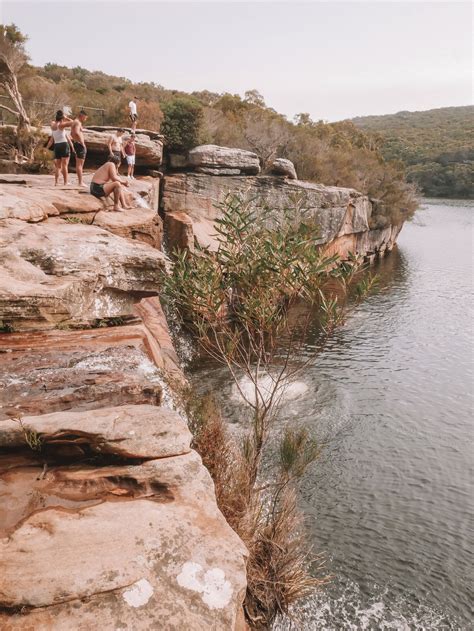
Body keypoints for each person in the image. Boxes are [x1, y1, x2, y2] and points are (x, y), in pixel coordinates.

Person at [49, 110, 74, 186]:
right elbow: (73, 122)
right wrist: (67, 118)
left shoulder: (52, 125)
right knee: (65, 165)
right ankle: (65, 182)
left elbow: (52, 121)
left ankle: (56, 182)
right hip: (63, 144)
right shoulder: (61, 125)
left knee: (58, 166)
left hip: (56, 145)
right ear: (62, 117)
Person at [70, 109, 88, 187]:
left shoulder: (75, 121)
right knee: (80, 164)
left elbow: (71, 133)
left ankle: (80, 182)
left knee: (79, 164)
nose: (85, 119)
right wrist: (82, 143)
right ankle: (80, 182)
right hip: (79, 145)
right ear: (82, 116)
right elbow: (76, 132)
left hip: (76, 143)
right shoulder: (77, 122)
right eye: (85, 118)